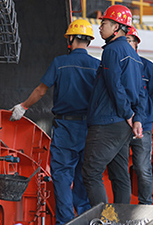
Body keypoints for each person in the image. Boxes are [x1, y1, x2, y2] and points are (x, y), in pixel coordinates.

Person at [10, 19, 100, 225]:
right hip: (90, 129)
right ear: (88, 41)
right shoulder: (97, 66)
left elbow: (42, 90)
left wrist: (23, 106)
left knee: (61, 175)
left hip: (66, 128)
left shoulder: (60, 63)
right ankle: (86, 217)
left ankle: (67, 221)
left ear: (71, 39)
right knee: (85, 175)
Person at [82, 4, 144, 207]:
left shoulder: (112, 50)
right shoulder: (134, 56)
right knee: (120, 176)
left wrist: (127, 113)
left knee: (91, 172)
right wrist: (136, 119)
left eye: (104, 23)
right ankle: (120, 220)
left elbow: (114, 85)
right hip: (123, 126)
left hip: (107, 122)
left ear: (116, 27)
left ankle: (106, 220)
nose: (100, 27)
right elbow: (140, 93)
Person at [126, 26, 153, 205]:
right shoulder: (118, 65)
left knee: (142, 168)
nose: (127, 43)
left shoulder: (148, 67)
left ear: (137, 43)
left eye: (130, 40)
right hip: (120, 125)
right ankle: (121, 206)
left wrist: (142, 112)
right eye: (124, 40)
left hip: (143, 127)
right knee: (120, 169)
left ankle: (146, 205)